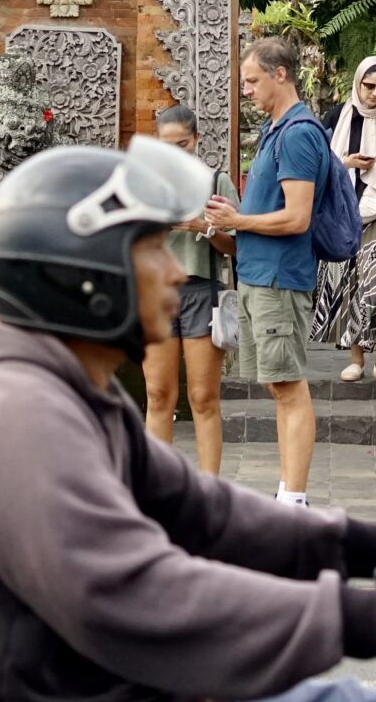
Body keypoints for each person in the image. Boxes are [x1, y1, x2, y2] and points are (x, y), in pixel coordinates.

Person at [0, 136, 376, 702]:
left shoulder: (70, 386)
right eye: (150, 249)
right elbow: (137, 594)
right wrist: (373, 613)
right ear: (81, 277)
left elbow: (204, 515)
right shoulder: (14, 417)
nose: (173, 271)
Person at [205, 37, 326, 503]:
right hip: (257, 275)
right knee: (279, 389)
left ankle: (293, 500)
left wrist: (236, 220)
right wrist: (217, 223)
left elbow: (297, 217)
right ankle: (286, 492)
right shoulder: (275, 131)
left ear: (281, 75)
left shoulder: (297, 133)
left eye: (253, 81)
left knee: (290, 387)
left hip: (279, 278)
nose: (247, 91)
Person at [143, 105, 237, 475]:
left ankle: (209, 491)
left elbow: (236, 247)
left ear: (197, 140)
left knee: (203, 397)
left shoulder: (217, 183)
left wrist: (203, 226)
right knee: (158, 395)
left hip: (202, 292)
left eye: (182, 144)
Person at [315, 57, 376, 391]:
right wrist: (346, 163)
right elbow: (319, 162)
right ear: (357, 83)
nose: (375, 94)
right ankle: (356, 359)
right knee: (350, 283)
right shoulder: (339, 116)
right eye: (370, 86)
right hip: (345, 210)